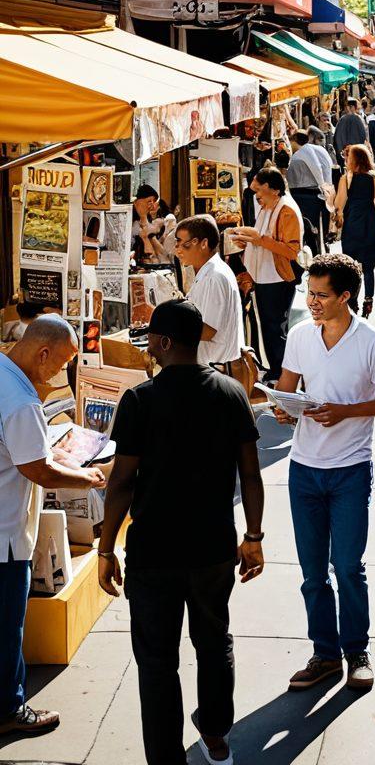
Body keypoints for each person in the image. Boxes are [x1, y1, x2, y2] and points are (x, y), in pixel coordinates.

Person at [99, 300, 264, 765]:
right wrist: (253, 536)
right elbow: (250, 475)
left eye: (150, 337)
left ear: (165, 342)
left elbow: (122, 483)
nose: (147, 345)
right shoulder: (231, 392)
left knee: (156, 663)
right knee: (214, 644)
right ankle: (215, 737)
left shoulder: (139, 400)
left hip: (153, 553)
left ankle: (166, 757)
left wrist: (106, 549)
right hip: (213, 548)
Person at [272, 255, 375, 692]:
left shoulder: (373, 341)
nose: (311, 302)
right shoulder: (300, 336)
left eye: (321, 295)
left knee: (347, 566)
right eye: (308, 294)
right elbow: (287, 390)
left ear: (345, 296)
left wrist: (347, 411)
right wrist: (284, 409)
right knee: (312, 573)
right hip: (304, 469)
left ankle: (357, 651)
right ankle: (324, 654)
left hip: (350, 469)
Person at [0, 317, 106, 738]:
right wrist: (89, 477)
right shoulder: (21, 402)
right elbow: (39, 470)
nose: (59, 374)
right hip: (6, 534)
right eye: (60, 365)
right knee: (8, 625)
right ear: (42, 353)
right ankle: (9, 706)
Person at [231, 169, 302, 380]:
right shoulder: (268, 207)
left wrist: (258, 239)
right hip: (265, 277)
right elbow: (262, 241)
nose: (256, 196)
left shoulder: (286, 210)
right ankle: (276, 371)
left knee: (275, 329)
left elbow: (291, 250)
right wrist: (246, 242)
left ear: (274, 189)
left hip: (277, 279)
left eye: (259, 190)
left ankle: (282, 375)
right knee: (269, 328)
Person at [175, 215, 244, 367]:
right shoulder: (208, 272)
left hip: (215, 369)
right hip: (210, 367)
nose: (178, 250)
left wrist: (170, 327)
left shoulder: (214, 276)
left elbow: (208, 331)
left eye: (183, 244)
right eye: (176, 244)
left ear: (204, 243)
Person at [334, 144, 375, 319]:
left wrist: (337, 216)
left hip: (352, 225)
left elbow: (338, 204)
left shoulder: (346, 179)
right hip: (370, 224)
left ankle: (353, 301)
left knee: (351, 265)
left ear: (354, 160)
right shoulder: (374, 177)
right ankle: (368, 299)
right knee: (369, 267)